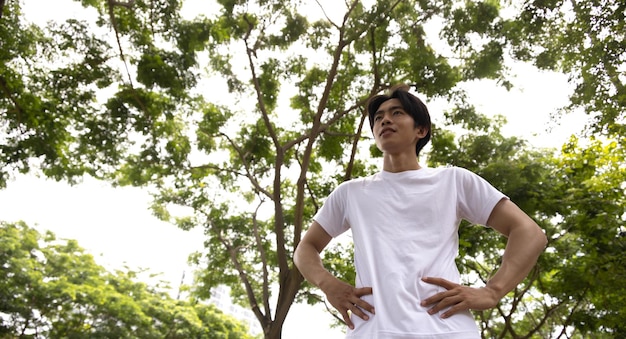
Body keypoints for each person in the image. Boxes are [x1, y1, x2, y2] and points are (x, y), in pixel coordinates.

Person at [293, 85, 547, 338]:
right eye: (378, 117)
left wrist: (492, 291)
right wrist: (329, 285)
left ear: (421, 130)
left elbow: (529, 232)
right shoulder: (351, 193)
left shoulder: (453, 181)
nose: (385, 120)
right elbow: (306, 248)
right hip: (372, 331)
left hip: (446, 330)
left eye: (397, 113)